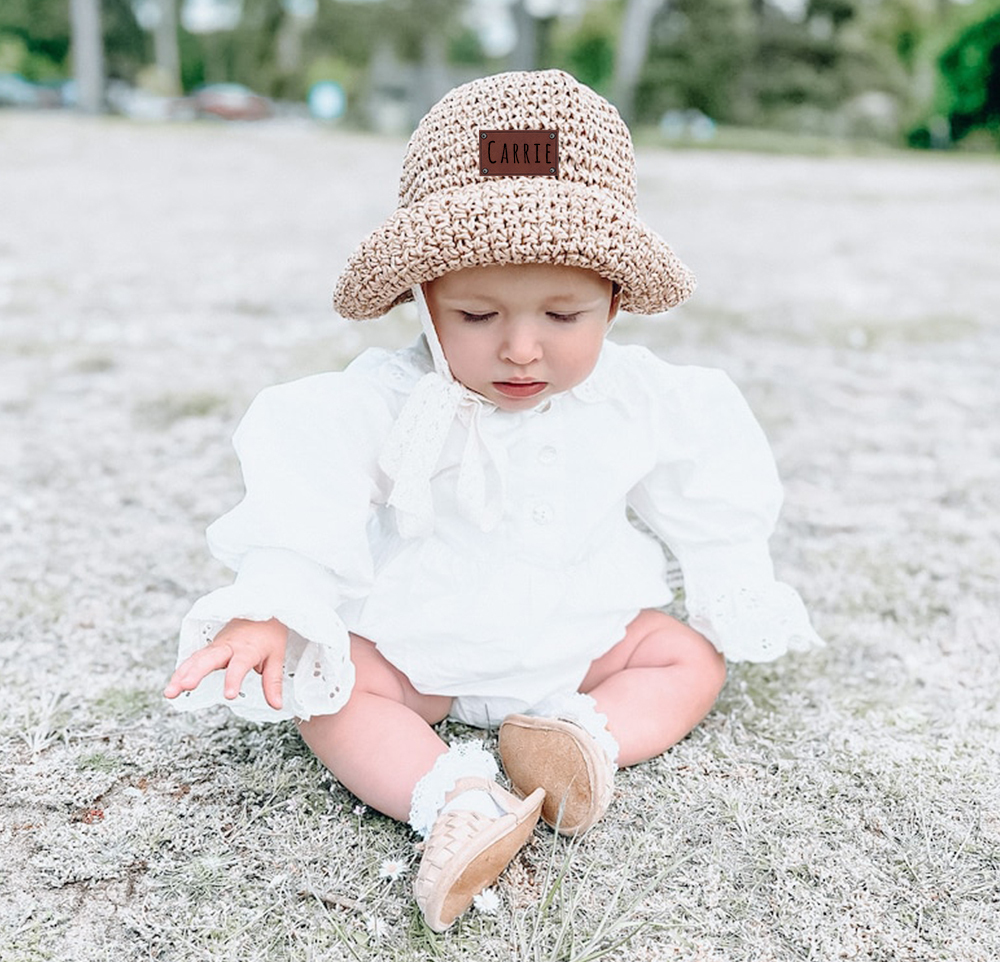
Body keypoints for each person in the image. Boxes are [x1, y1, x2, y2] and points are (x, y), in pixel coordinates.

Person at [164, 69, 823, 932]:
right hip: (420, 646)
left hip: (583, 635)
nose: (520, 349)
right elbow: (314, 490)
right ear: (424, 301)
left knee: (689, 658)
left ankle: (578, 740)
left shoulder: (642, 398)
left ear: (614, 301)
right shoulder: (385, 401)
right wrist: (271, 604)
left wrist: (732, 578)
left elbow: (712, 485)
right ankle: (454, 799)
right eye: (476, 316)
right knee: (327, 690)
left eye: (563, 316)